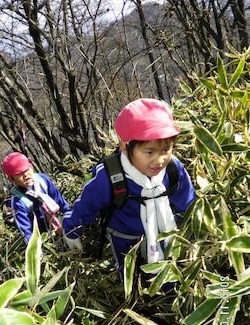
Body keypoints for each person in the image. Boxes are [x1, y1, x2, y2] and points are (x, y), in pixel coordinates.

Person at [63, 98, 196, 278]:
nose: (159, 160)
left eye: (166, 150)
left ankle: (166, 292)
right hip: (124, 237)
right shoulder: (109, 176)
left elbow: (188, 203)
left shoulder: (173, 169)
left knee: (169, 272)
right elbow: (86, 205)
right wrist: (71, 230)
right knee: (128, 275)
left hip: (164, 231)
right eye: (149, 152)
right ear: (125, 146)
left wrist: (195, 234)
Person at [1, 151, 80, 248]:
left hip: (56, 220)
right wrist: (36, 251)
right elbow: (26, 231)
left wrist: (73, 221)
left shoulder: (43, 180)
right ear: (11, 178)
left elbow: (60, 201)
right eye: (19, 174)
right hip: (41, 235)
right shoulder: (17, 202)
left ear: (31, 166)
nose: (26, 175)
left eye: (27, 169)